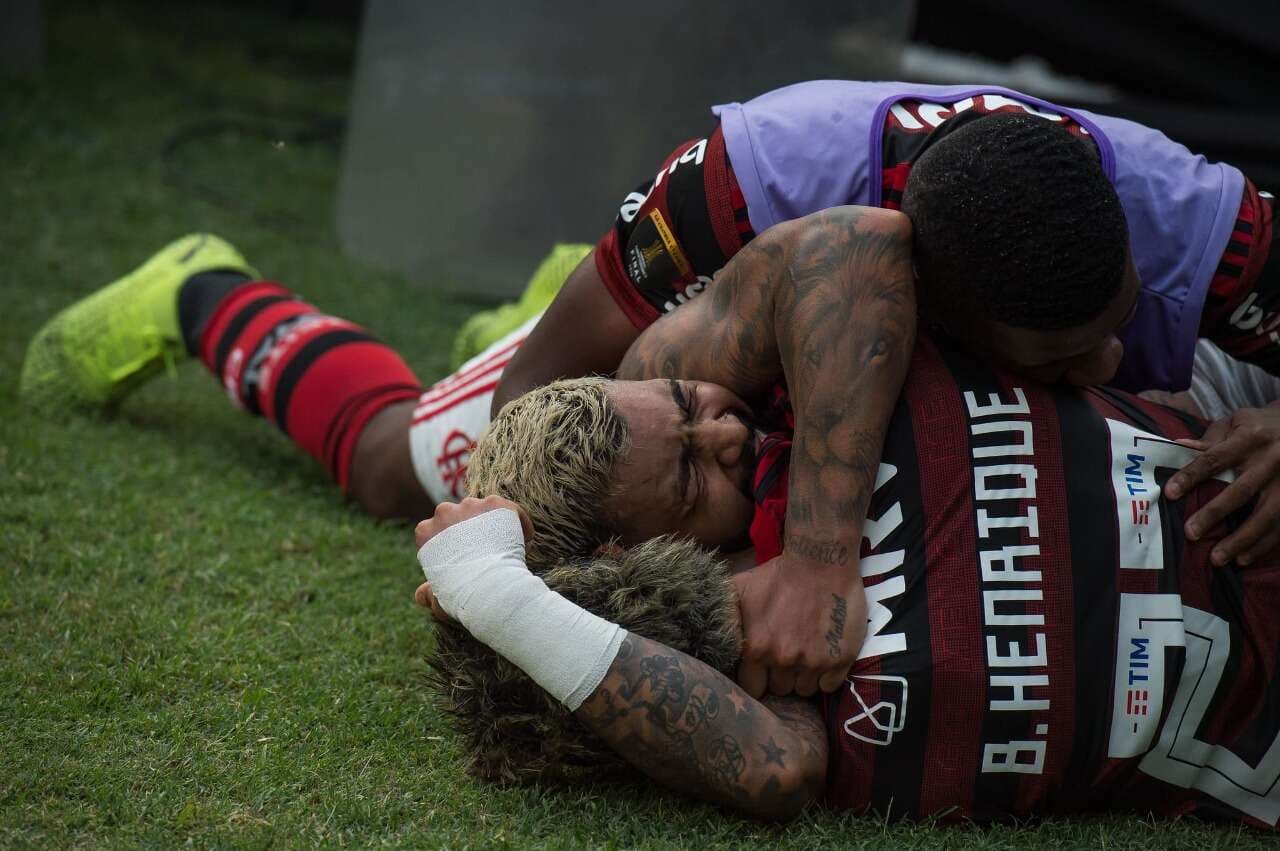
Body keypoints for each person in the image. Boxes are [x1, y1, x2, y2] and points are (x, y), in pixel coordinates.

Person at [417, 333, 1280, 827]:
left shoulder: (814, 376)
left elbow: (858, 239)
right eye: (690, 477)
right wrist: (500, 598)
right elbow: (774, 771)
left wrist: (822, 556)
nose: (728, 433)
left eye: (688, 402)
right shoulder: (758, 659)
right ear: (632, 560)